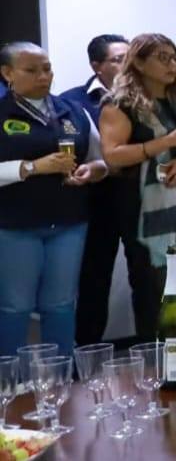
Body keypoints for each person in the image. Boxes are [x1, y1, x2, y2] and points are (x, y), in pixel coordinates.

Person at [99, 33, 176, 343]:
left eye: (175, 58)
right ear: (138, 63)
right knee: (153, 285)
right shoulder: (119, 104)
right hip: (141, 207)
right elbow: (113, 156)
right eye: (162, 58)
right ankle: (157, 356)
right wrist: (167, 142)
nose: (171, 65)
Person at [0, 43, 108, 356]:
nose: (43, 76)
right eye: (31, 70)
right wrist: (33, 168)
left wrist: (91, 171)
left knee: (60, 304)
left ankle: (60, 373)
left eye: (47, 69)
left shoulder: (72, 110)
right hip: (15, 225)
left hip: (68, 222)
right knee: (15, 306)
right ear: (7, 73)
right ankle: (11, 378)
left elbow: (100, 160)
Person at [59, 34, 131, 346]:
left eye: (130, 58)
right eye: (118, 59)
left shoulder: (148, 97)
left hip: (140, 195)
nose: (127, 65)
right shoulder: (70, 101)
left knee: (149, 277)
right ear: (96, 66)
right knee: (94, 279)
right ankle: (88, 353)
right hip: (95, 200)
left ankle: (155, 349)